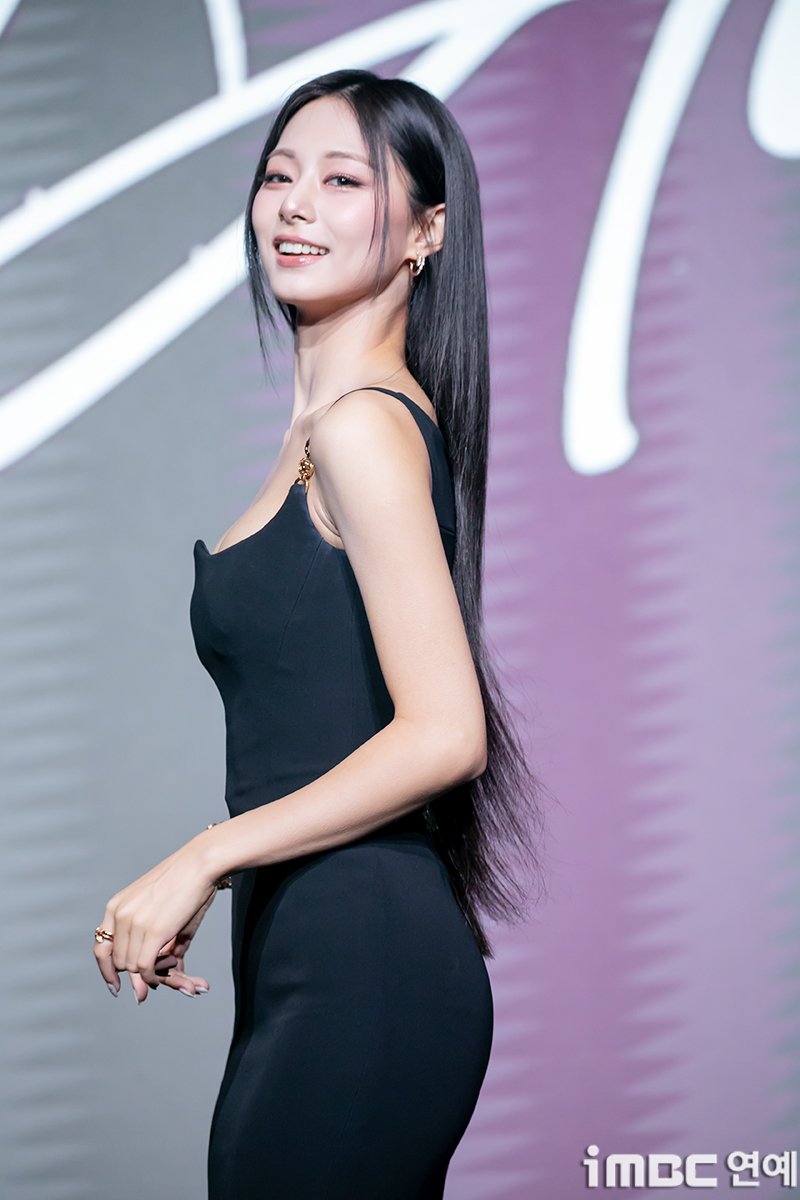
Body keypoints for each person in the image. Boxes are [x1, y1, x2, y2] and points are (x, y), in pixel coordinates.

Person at [92, 68, 548, 1199]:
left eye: (344, 181)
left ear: (426, 233)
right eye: (279, 176)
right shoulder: (323, 432)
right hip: (304, 955)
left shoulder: (361, 430)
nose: (295, 205)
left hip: (365, 963)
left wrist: (204, 856)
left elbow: (446, 733)